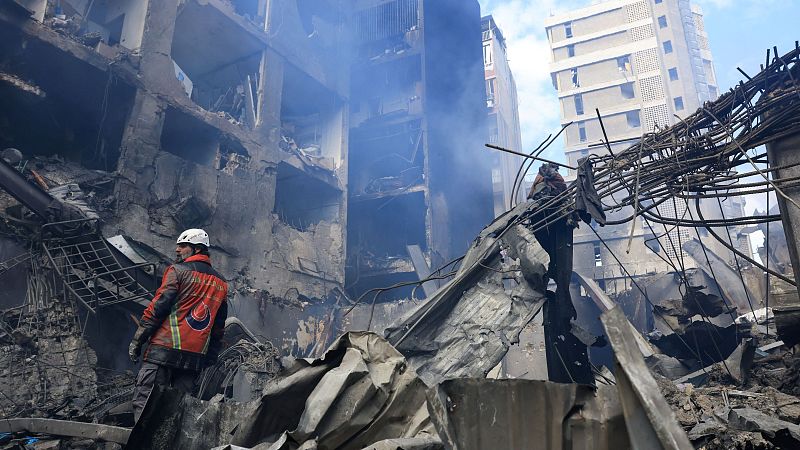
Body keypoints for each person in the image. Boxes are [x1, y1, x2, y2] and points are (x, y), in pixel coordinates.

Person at [129, 228, 228, 422]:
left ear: (197, 249)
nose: (177, 250)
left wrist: (137, 340)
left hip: (163, 352)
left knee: (146, 403)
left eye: (182, 246)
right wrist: (209, 357)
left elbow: (157, 308)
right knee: (175, 413)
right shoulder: (221, 283)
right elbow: (219, 326)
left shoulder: (177, 272)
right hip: (193, 360)